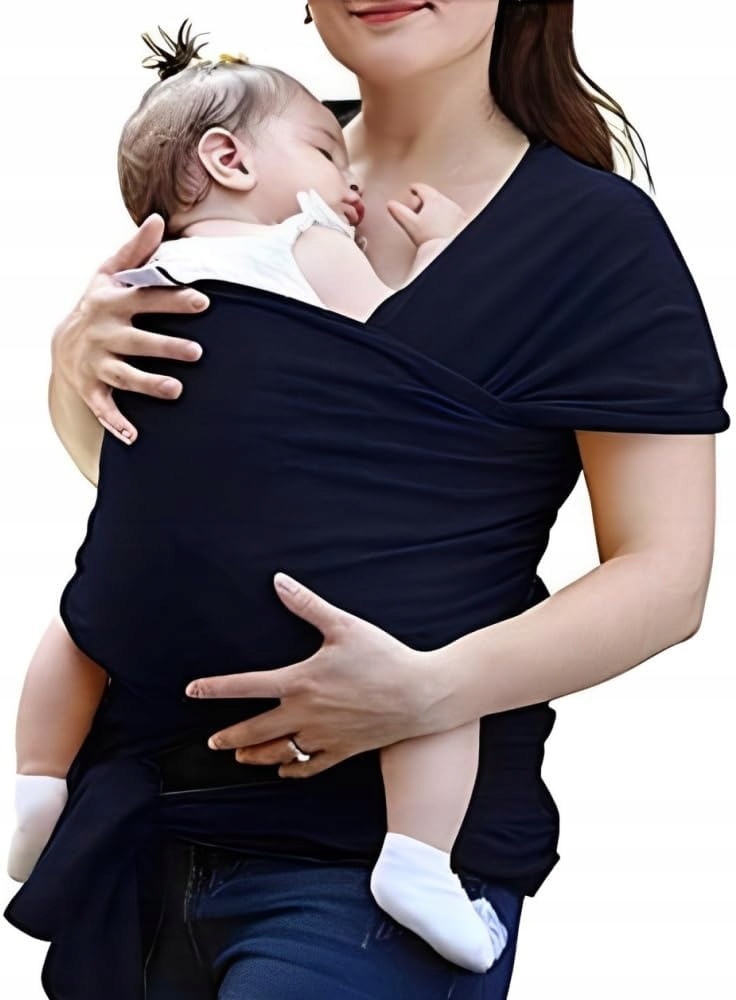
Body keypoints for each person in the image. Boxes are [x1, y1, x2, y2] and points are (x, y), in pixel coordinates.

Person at [4, 2, 730, 1000]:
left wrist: (428, 690)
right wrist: (70, 366)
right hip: (138, 833)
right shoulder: (242, 147)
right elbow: (180, 487)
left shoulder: (593, 235)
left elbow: (665, 578)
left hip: (364, 864)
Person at [5, 23, 511, 974]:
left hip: (148, 561)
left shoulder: (131, 283)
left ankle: (37, 784)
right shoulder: (305, 240)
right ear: (228, 159)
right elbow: (411, 345)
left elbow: (106, 414)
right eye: (324, 151)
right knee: (432, 661)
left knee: (82, 622)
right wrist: (443, 253)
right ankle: (419, 856)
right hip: (299, 567)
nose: (347, 179)